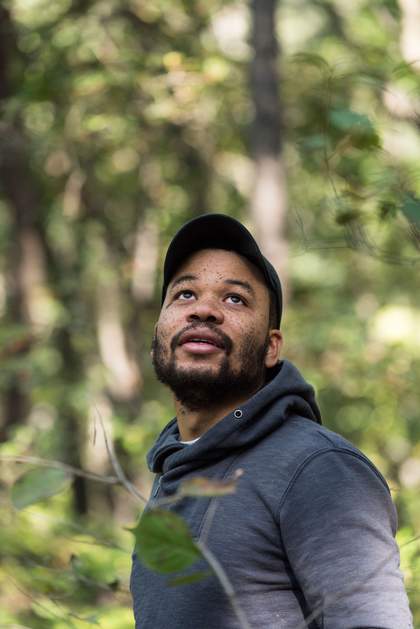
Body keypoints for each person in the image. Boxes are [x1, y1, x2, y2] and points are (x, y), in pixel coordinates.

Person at [130, 213, 412, 629]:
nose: (204, 310)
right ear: (159, 331)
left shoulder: (318, 468)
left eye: (235, 299)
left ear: (270, 347)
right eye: (185, 294)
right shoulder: (172, 471)